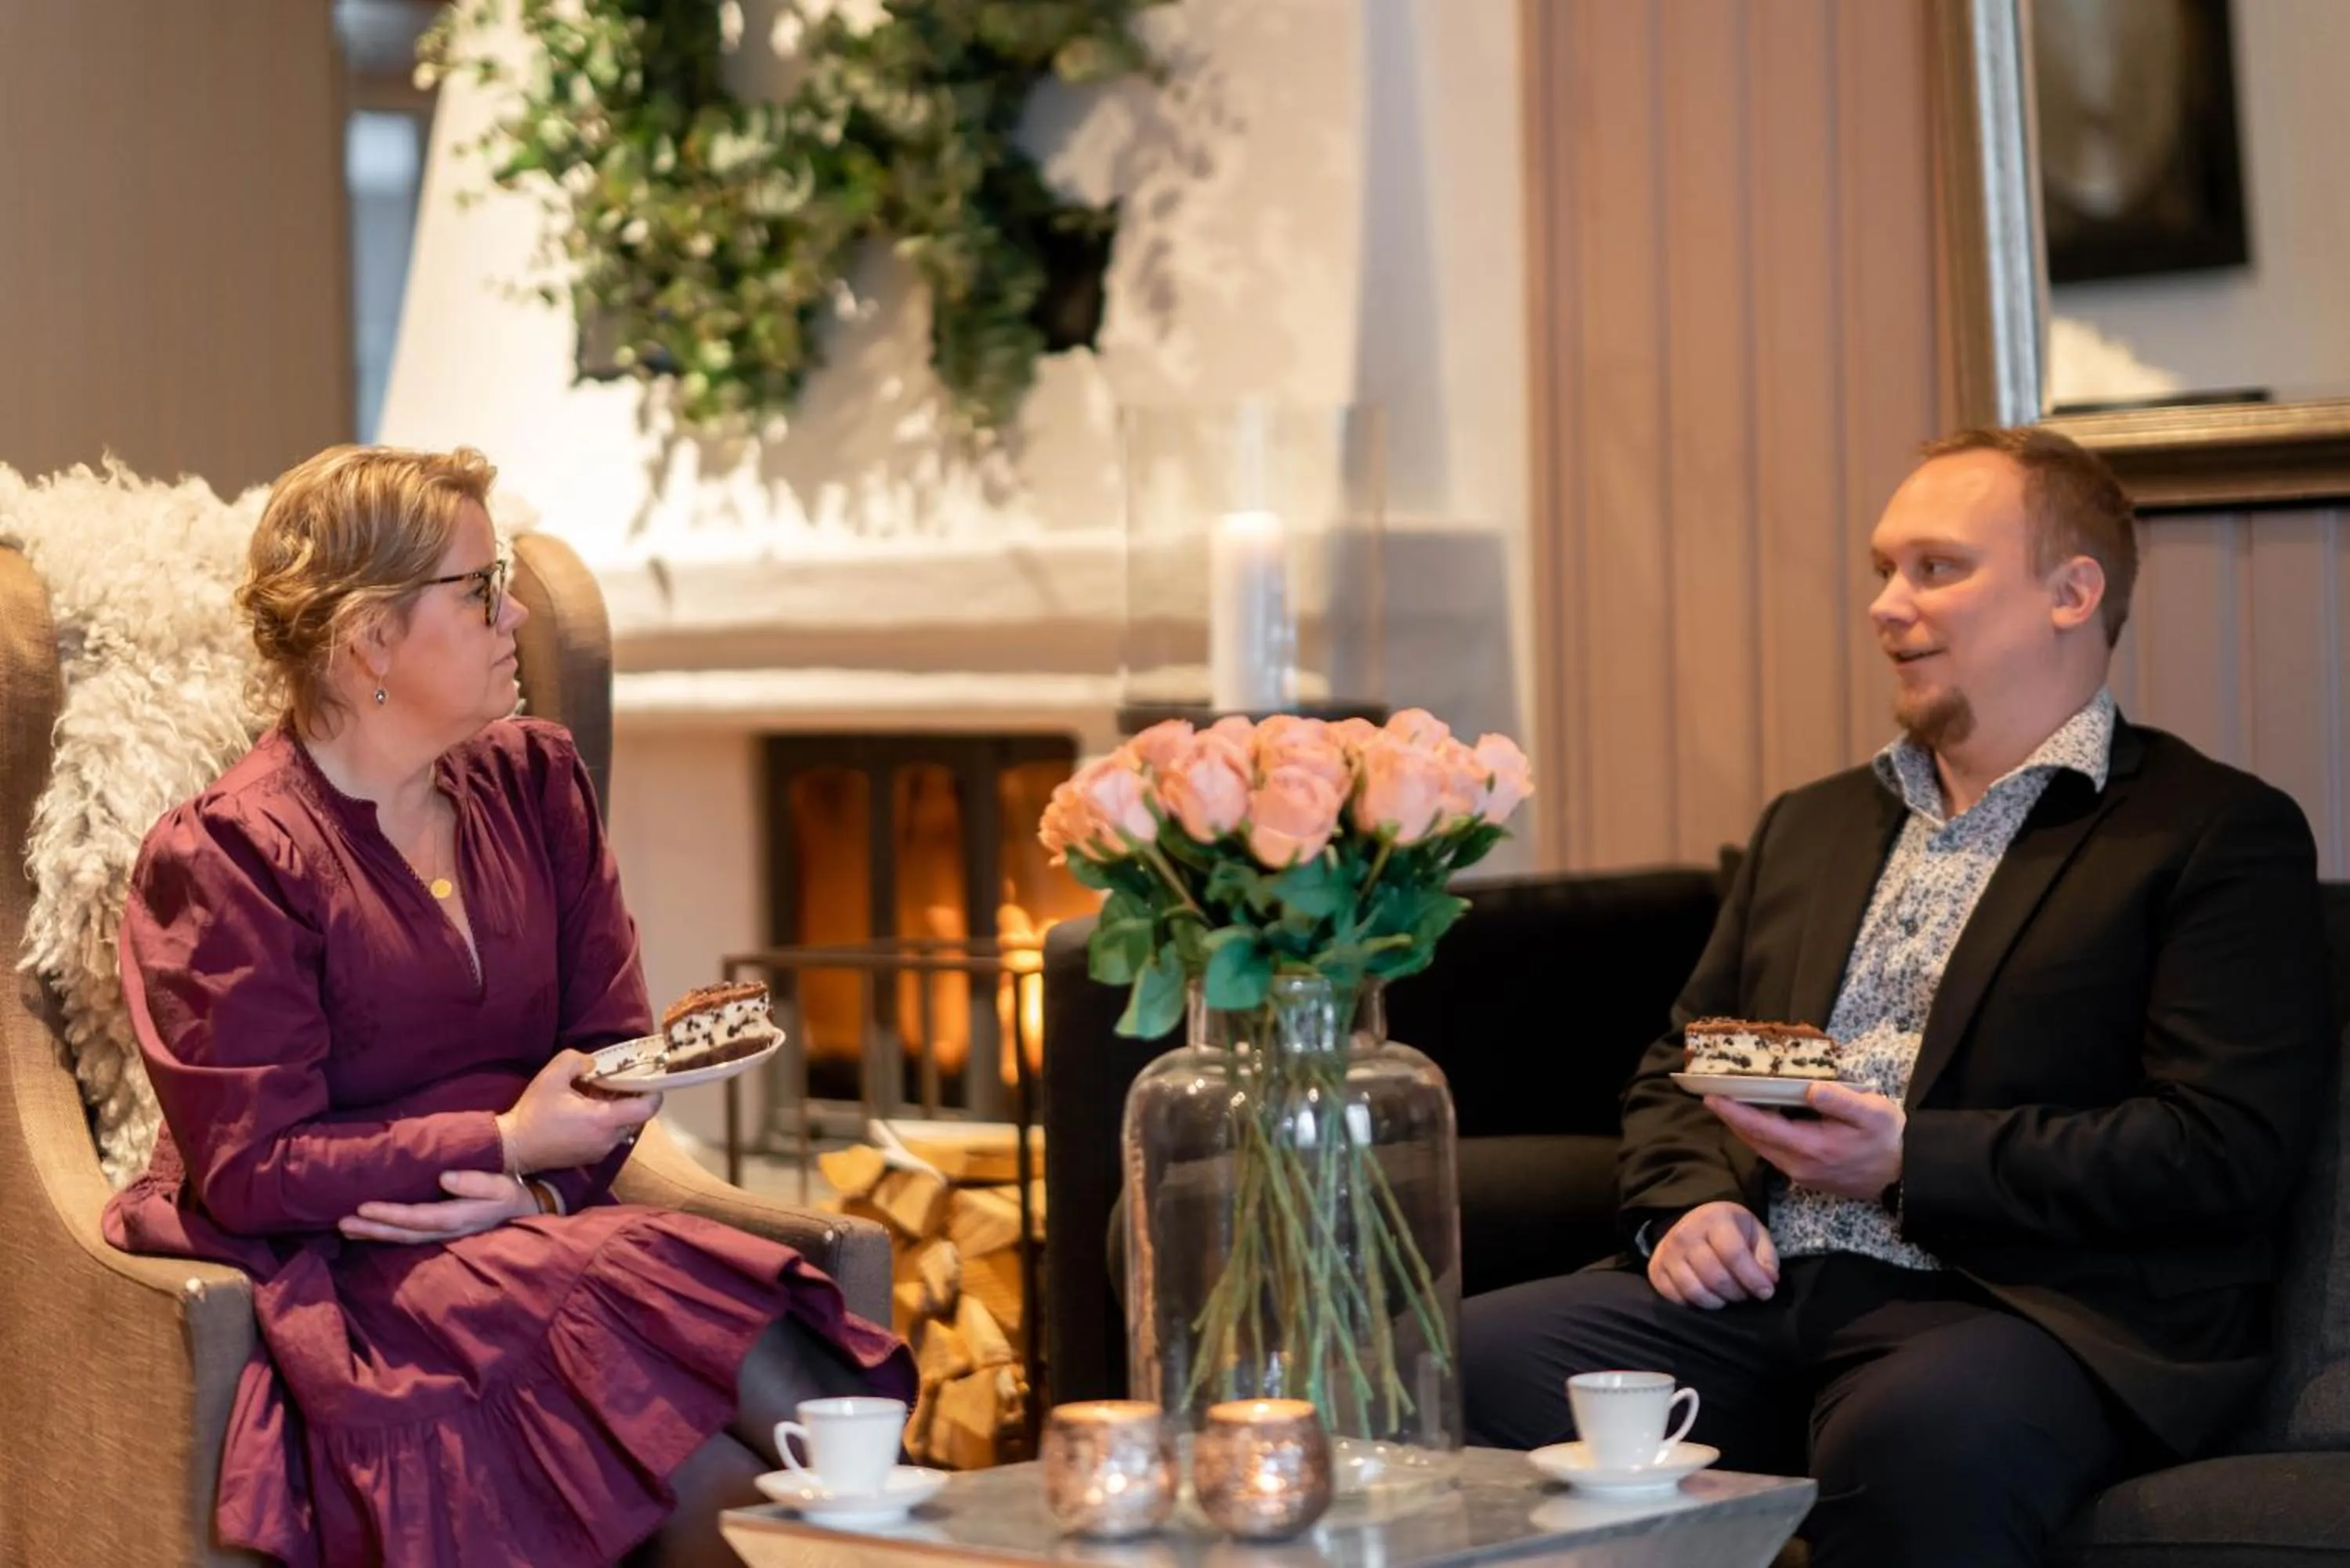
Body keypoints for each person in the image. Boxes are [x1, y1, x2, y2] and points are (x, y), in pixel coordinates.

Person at [1461, 427, 2331, 1567]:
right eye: (1883, 569)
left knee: (1919, 1432)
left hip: (2017, 1307)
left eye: (1937, 568)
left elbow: (2221, 1147)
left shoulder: (2211, 833)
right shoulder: (1811, 825)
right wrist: (1686, 1207)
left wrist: (1912, 1160)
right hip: (1756, 1291)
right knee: (1458, 1362)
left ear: (2072, 594)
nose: (1886, 605)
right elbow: (1685, 1063)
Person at [101, 446, 913, 1568]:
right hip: (358, 1264)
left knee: (763, 1452)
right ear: (371, 637)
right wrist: (503, 1143)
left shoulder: (536, 783)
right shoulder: (232, 855)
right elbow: (253, 1165)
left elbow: (615, 1053)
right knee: (720, 1481)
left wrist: (534, 1188)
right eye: (481, 588)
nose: (516, 612)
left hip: (532, 1231)